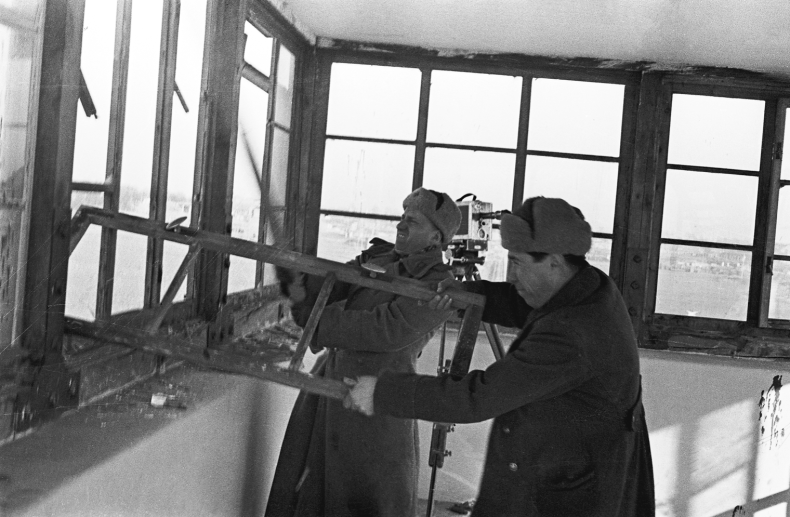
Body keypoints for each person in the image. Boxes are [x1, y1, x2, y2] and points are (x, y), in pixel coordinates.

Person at [344, 196, 656, 517]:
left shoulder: (574, 331)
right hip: (570, 464)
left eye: (518, 263)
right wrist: (467, 295)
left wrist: (382, 393)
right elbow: (522, 302)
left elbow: (477, 397)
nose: (512, 276)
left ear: (554, 261)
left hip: (572, 490)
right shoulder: (588, 286)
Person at [265, 188, 462, 517]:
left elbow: (386, 330)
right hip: (329, 397)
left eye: (411, 221)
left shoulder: (441, 286)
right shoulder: (380, 258)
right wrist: (299, 281)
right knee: (311, 495)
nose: (400, 225)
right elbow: (333, 284)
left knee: (369, 500)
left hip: (377, 410)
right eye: (402, 215)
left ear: (435, 238)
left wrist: (316, 319)